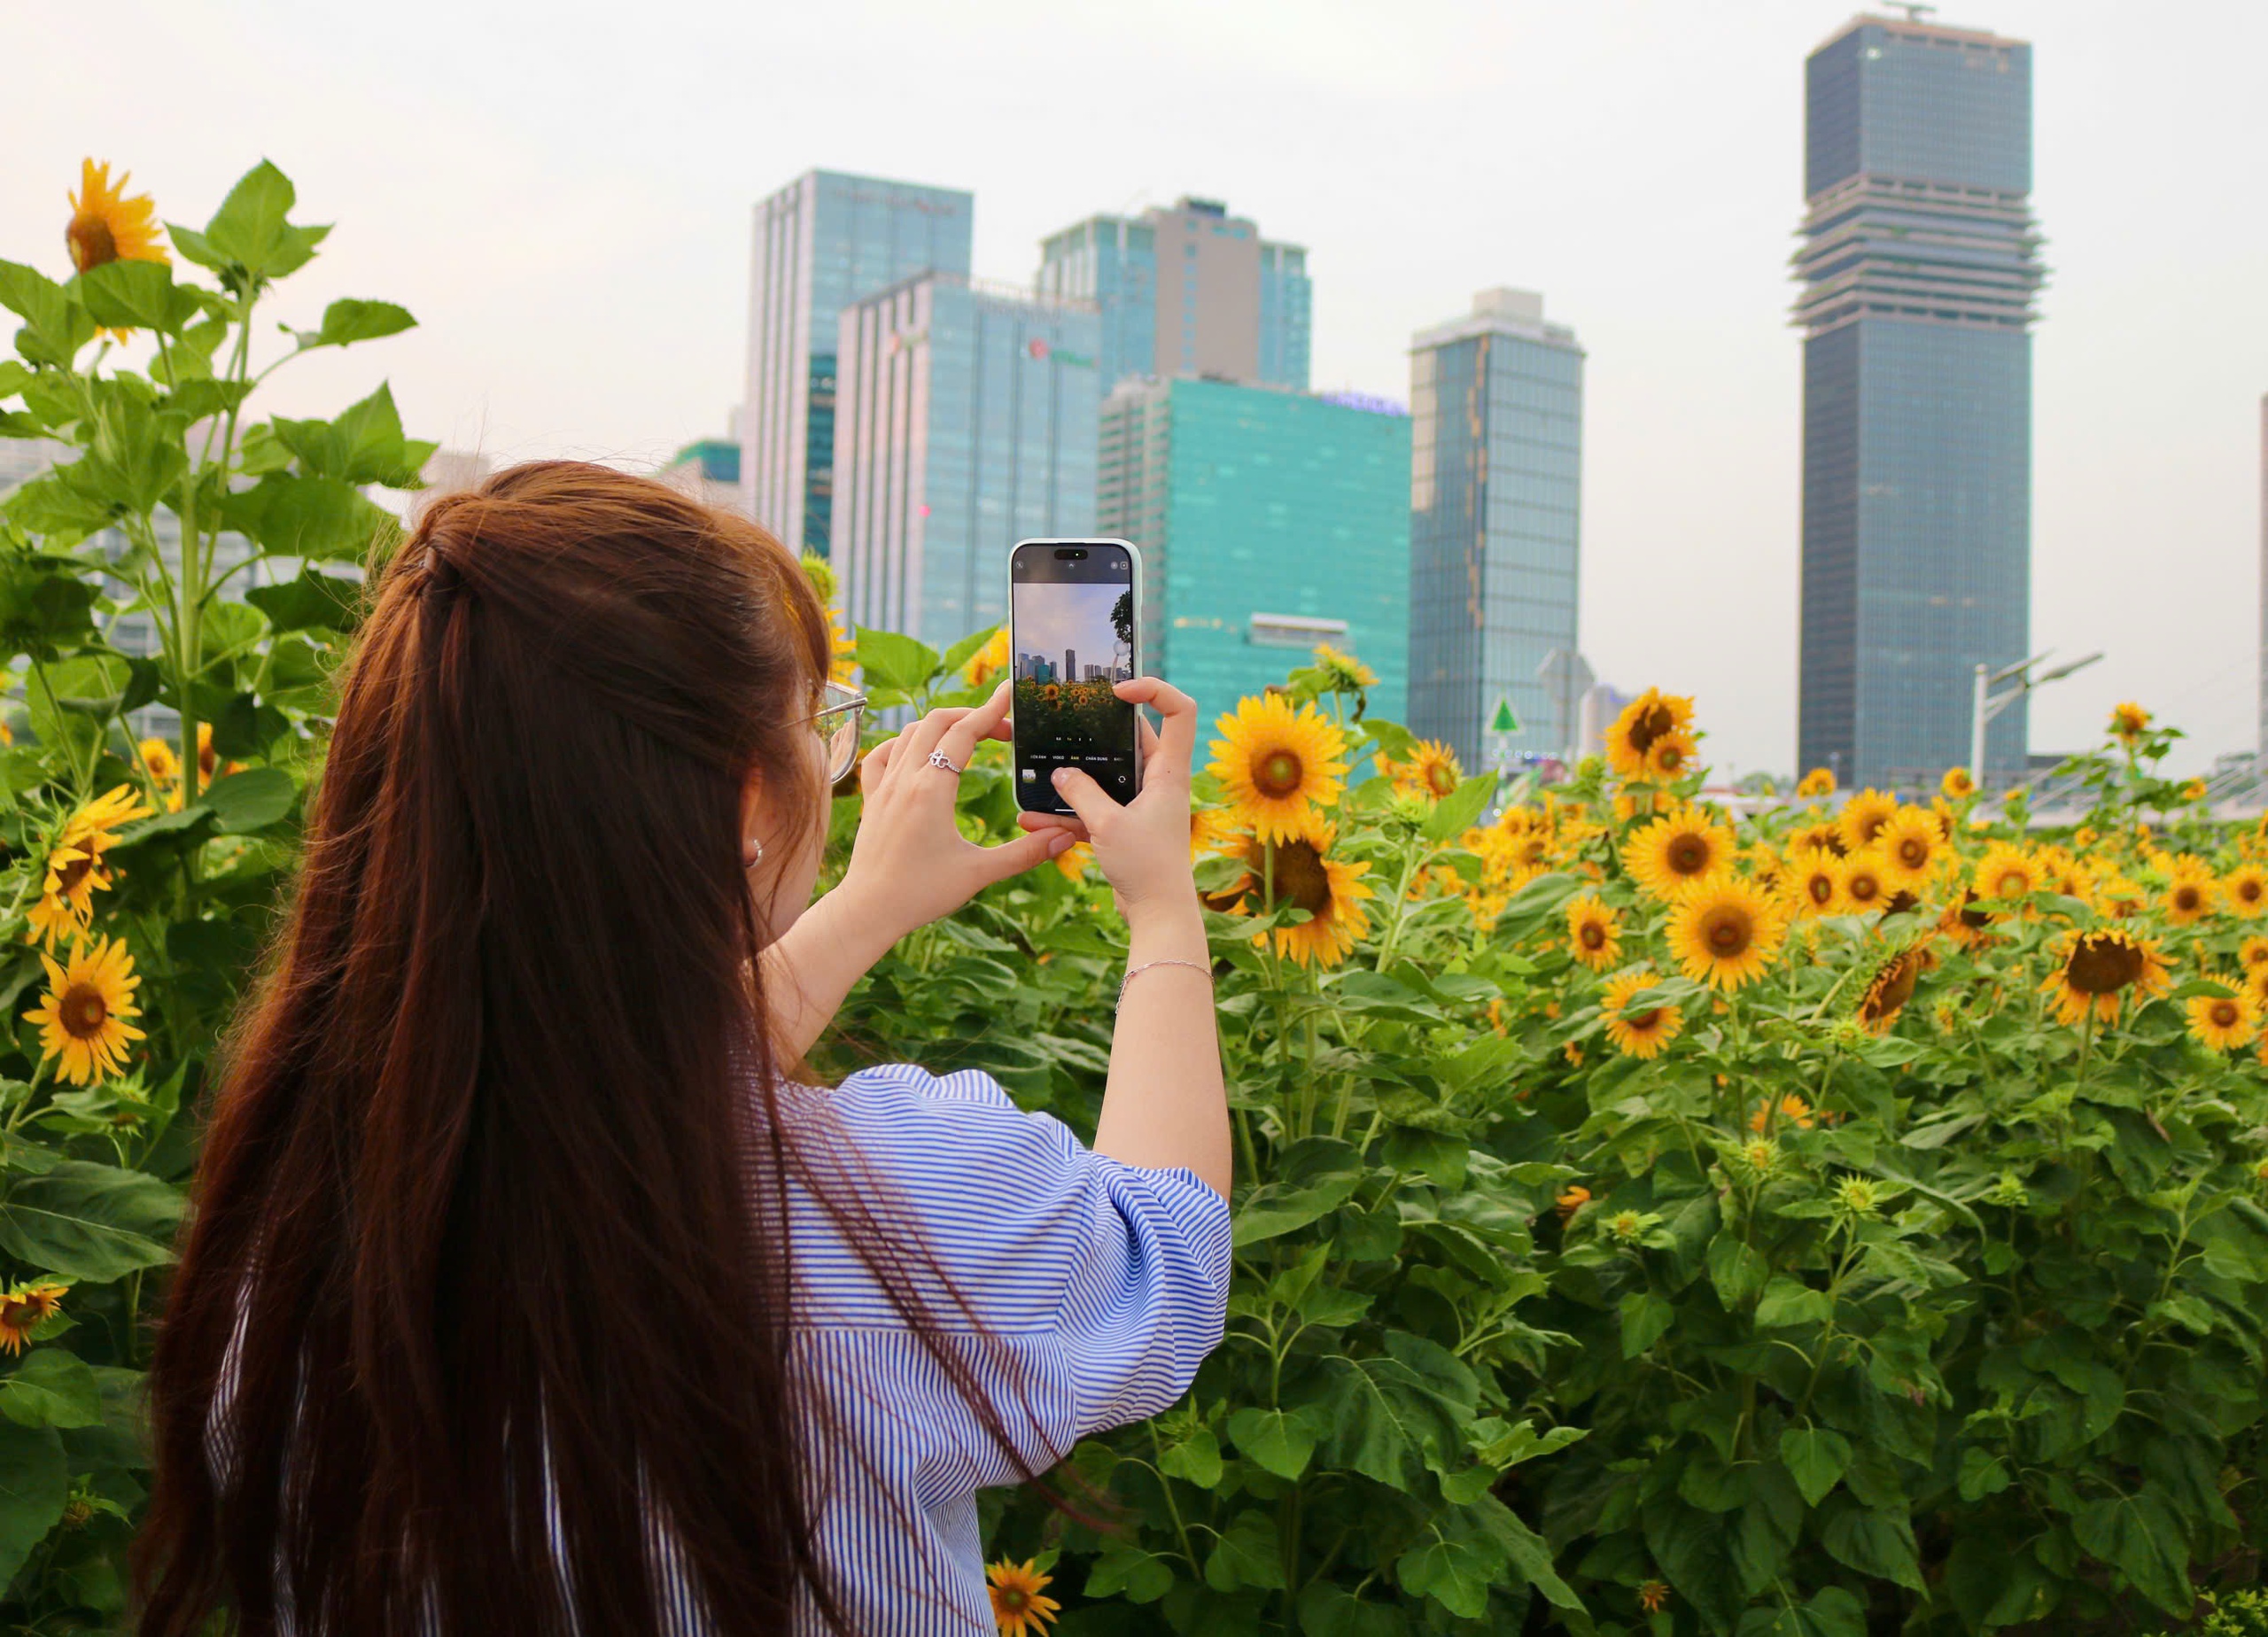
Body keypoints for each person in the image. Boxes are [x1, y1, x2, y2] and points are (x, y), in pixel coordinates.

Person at [134, 462, 1231, 1636]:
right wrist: (1164, 911)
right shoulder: (901, 1200)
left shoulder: (301, 1215)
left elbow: (615, 1076)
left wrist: (859, 914)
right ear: (742, 799)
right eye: (824, 724)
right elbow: (1160, 1259)